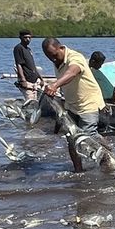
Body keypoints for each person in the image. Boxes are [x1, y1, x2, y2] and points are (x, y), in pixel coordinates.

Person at [41, 37, 107, 172]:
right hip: (72, 105)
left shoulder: (75, 57)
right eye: (49, 57)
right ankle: (78, 170)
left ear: (61, 48)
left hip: (88, 103)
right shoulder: (57, 61)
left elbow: (72, 72)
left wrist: (55, 85)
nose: (53, 59)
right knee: (71, 139)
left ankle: (107, 155)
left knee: (87, 137)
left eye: (54, 55)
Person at [13, 29, 43, 101]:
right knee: (30, 101)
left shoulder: (28, 49)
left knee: (36, 100)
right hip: (27, 80)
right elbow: (19, 64)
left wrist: (41, 78)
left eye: (29, 37)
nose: (28, 39)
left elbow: (32, 66)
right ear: (20, 37)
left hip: (34, 80)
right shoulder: (18, 48)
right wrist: (23, 80)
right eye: (25, 37)